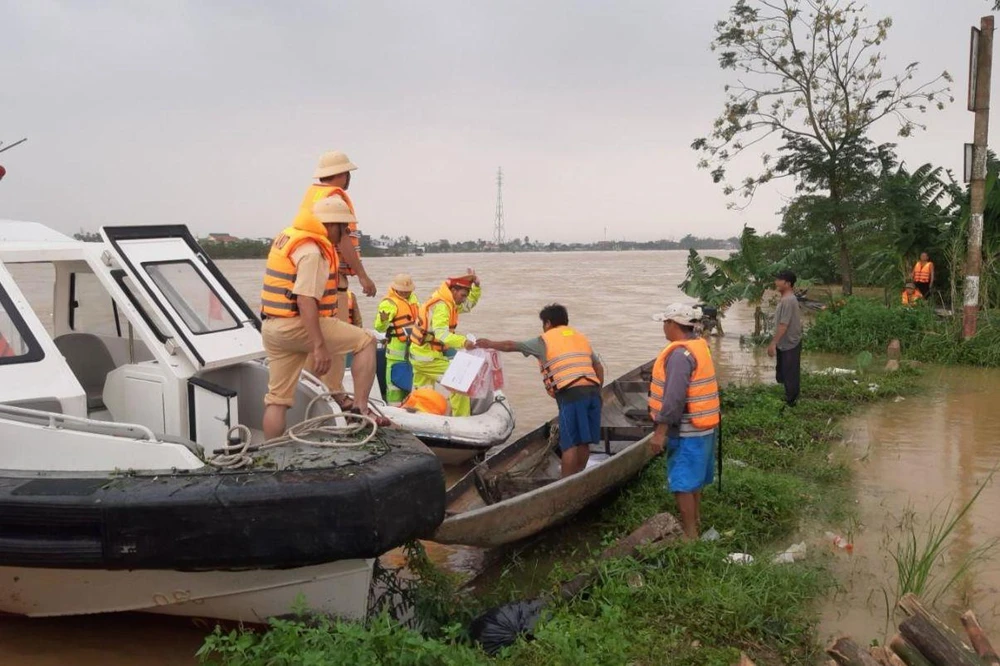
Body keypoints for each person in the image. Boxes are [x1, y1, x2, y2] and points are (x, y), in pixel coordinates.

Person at [259, 196, 385, 440]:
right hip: (297, 325)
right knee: (366, 342)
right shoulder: (313, 252)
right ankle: (360, 410)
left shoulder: (290, 237)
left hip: (273, 328)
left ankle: (269, 454)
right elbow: (305, 299)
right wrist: (319, 346)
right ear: (331, 225)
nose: (346, 233)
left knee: (277, 400)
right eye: (344, 227)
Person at [475, 304, 605, 478]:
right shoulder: (580, 337)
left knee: (570, 444)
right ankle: (580, 476)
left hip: (571, 395)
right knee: (584, 442)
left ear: (548, 323)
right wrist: (597, 390)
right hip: (592, 393)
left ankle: (565, 484)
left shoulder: (543, 341)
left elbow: (511, 345)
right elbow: (598, 366)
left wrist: (490, 343)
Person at [293, 150, 377, 398]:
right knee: (338, 345)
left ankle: (307, 395)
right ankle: (335, 396)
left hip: (310, 278)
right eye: (347, 172)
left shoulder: (312, 195)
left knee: (312, 344)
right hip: (332, 282)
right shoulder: (336, 197)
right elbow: (343, 240)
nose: (349, 177)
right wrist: (362, 275)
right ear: (339, 174)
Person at [647, 303, 721, 540]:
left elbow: (674, 399)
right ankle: (695, 521)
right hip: (705, 427)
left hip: (688, 430)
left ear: (672, 324)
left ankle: (690, 536)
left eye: (664, 323)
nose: (663, 328)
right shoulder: (699, 347)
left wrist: (660, 433)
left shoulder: (679, 355)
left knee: (682, 483)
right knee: (694, 479)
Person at [409, 272, 482, 417]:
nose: (464, 299)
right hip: (428, 357)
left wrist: (477, 288)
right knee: (459, 384)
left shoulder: (448, 301)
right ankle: (462, 420)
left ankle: (424, 417)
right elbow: (441, 334)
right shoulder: (442, 306)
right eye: (462, 295)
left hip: (421, 354)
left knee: (424, 391)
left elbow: (468, 306)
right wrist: (463, 342)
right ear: (453, 291)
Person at [373, 274, 420, 404]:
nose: (405, 293)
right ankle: (393, 411)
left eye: (408, 291)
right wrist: (383, 320)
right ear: (395, 289)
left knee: (411, 387)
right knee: (394, 389)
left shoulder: (414, 299)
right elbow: (379, 328)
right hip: (395, 355)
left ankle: (411, 409)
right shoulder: (388, 303)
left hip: (413, 353)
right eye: (402, 291)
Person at [767, 269, 802, 408]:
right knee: (783, 373)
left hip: (790, 342)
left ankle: (791, 402)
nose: (776, 282)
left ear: (787, 283)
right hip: (785, 342)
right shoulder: (786, 299)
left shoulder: (788, 300)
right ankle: (789, 398)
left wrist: (772, 343)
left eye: (779, 280)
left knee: (790, 373)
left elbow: (783, 325)